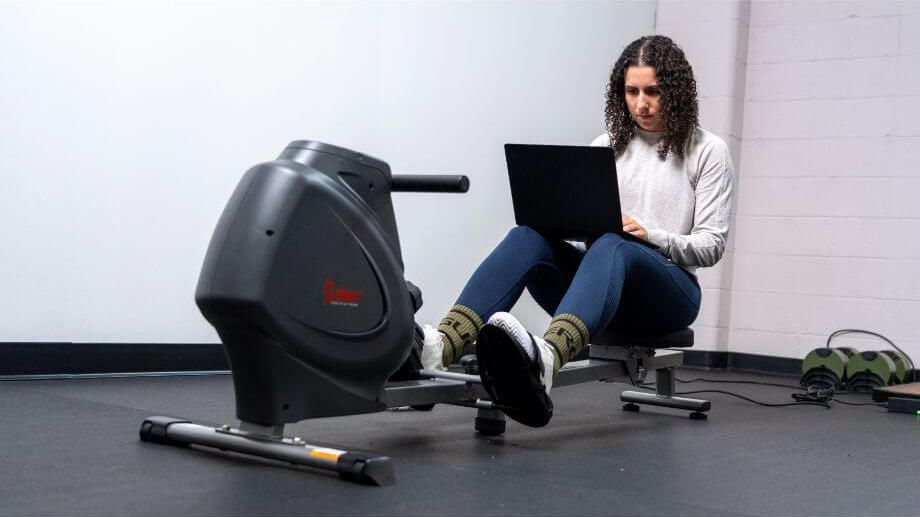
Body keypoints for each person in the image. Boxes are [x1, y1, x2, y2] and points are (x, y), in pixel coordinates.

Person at [420, 35, 735, 427]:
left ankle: (546, 359)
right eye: (631, 91)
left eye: (653, 91)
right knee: (527, 235)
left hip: (669, 295)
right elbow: (581, 234)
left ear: (677, 90)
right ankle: (440, 345)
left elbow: (711, 246)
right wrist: (562, 224)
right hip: (603, 291)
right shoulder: (607, 145)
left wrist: (649, 235)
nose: (641, 104)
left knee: (614, 243)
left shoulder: (707, 150)